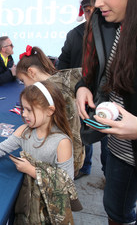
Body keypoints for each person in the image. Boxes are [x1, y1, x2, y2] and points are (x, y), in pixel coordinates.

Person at [75, 0, 137, 224]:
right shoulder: (102, 24)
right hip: (116, 149)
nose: (98, 3)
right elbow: (93, 74)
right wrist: (83, 88)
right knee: (115, 212)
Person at [0, 81, 78, 224]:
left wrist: (31, 170)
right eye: (23, 109)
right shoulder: (24, 131)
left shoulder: (61, 143)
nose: (24, 114)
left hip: (49, 211)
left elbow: (67, 183)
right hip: (28, 204)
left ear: (50, 110)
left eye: (29, 110)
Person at [57, 0, 107, 180]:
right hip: (78, 93)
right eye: (87, 10)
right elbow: (63, 63)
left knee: (106, 134)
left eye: (94, 9)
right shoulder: (74, 34)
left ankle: (107, 173)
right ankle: (84, 166)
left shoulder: (112, 32)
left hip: (105, 94)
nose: (91, 14)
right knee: (83, 130)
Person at [16, 45, 85, 178]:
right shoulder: (62, 79)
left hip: (62, 158)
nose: (24, 86)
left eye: (23, 81)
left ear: (31, 72)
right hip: (75, 151)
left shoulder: (50, 93)